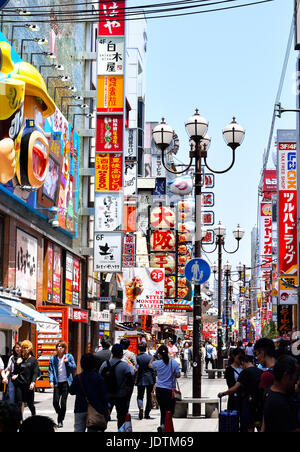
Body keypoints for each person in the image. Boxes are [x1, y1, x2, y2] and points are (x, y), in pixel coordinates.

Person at [219, 355, 263, 432]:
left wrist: (223, 393)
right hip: (259, 404)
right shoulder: (260, 371)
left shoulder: (245, 372)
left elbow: (236, 387)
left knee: (249, 426)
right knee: (259, 426)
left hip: (249, 404)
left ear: (243, 362)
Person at [69, 353, 109, 432]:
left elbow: (71, 391)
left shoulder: (78, 377)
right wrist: (106, 408)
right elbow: (104, 395)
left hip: (80, 408)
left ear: (81, 364)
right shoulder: (99, 378)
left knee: (78, 429)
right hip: (96, 408)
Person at [262, 354, 300, 432]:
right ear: (286, 375)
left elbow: (264, 421)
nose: (297, 380)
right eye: (296, 376)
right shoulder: (280, 403)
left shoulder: (269, 391)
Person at [100, 344, 134, 430]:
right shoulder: (124, 366)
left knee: (104, 417)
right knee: (121, 418)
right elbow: (130, 381)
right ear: (121, 353)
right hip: (121, 395)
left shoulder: (105, 364)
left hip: (107, 396)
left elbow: (99, 378)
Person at [149, 345, 181, 431]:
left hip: (159, 389)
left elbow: (149, 365)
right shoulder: (173, 363)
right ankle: (167, 426)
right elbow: (178, 375)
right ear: (168, 352)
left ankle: (163, 425)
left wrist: (154, 356)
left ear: (159, 354)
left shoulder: (157, 363)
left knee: (163, 410)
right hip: (169, 390)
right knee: (170, 410)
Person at [48, 341, 77, 428]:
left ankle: (60, 420)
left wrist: (67, 362)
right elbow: (51, 371)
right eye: (59, 346)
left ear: (65, 348)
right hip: (57, 383)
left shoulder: (69, 356)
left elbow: (74, 368)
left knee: (63, 403)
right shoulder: (53, 358)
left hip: (66, 383)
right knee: (55, 402)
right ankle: (60, 414)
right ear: (56, 348)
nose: (60, 348)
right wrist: (51, 381)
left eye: (62, 347)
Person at [12, 340, 40, 418]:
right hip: (19, 384)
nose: (25, 349)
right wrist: (17, 364)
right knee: (19, 403)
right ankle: (20, 421)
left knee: (30, 404)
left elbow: (35, 372)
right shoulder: (19, 359)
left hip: (28, 384)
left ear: (30, 348)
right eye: (24, 348)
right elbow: (15, 372)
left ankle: (33, 416)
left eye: (27, 347)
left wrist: (33, 382)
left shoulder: (33, 360)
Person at [136, 342, 155, 420]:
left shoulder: (136, 358)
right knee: (149, 396)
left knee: (140, 396)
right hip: (149, 379)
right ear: (146, 348)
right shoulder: (150, 358)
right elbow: (153, 370)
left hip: (140, 379)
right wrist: (154, 381)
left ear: (139, 349)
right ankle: (147, 413)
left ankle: (141, 407)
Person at [120, 337, 137, 412]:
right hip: (128, 379)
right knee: (127, 397)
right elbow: (135, 367)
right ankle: (125, 412)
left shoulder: (115, 353)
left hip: (117, 377)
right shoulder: (131, 354)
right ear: (128, 345)